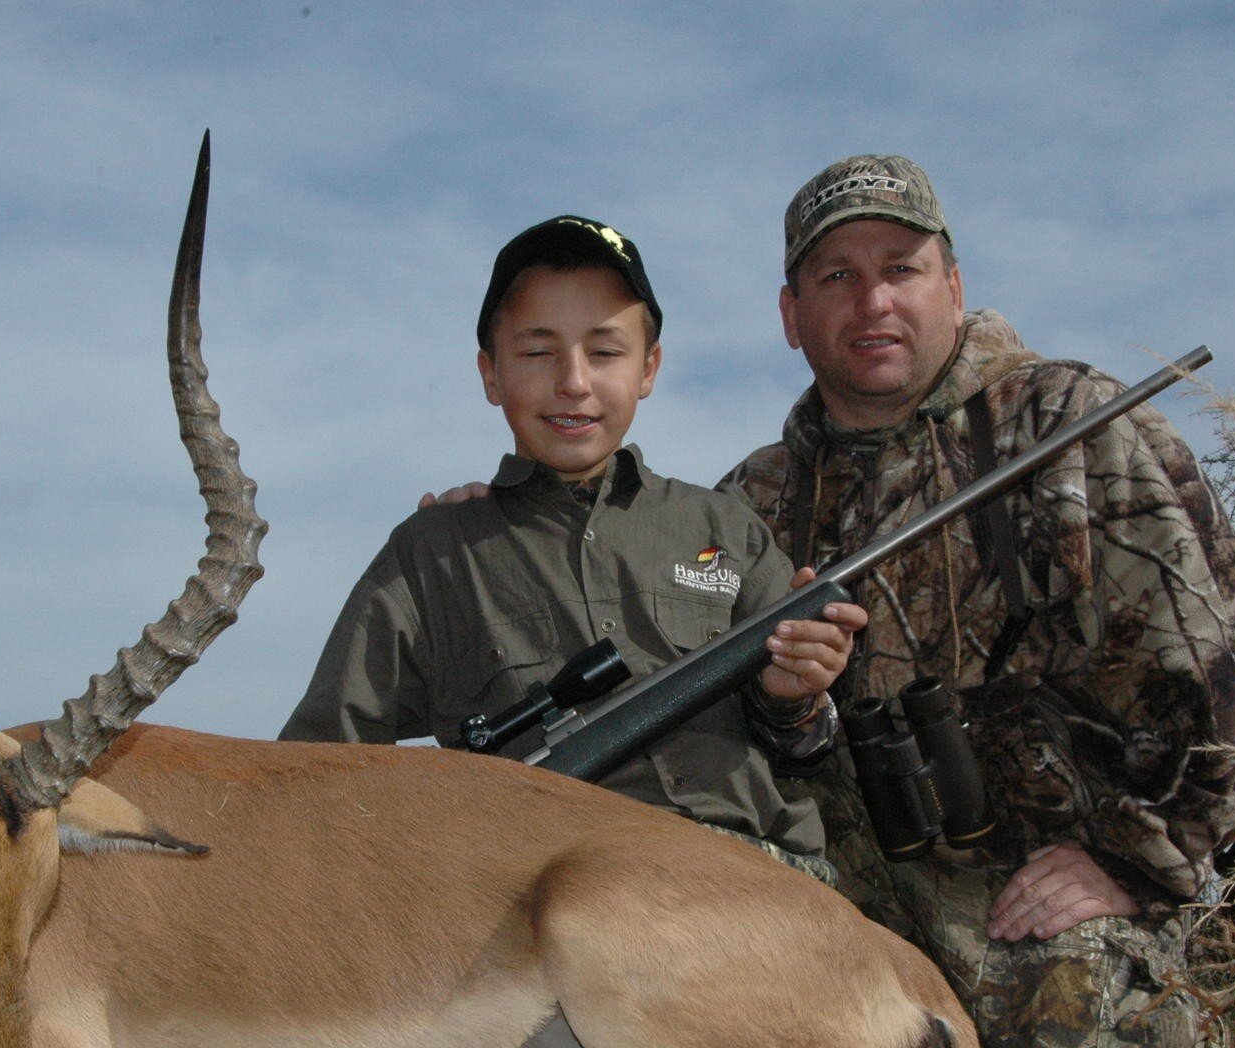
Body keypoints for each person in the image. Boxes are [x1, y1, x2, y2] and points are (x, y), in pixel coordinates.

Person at [718, 155, 1235, 1048]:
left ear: (956, 287)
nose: (873, 299)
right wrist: (788, 707)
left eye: (902, 267)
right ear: (791, 312)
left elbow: (1221, 665)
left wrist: (1135, 855)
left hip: (1040, 896)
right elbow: (686, 708)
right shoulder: (747, 504)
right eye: (836, 277)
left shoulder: (1070, 421)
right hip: (845, 905)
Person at [281, 215, 866, 883]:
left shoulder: (726, 528)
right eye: (537, 352)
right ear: (490, 374)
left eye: (605, 351)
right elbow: (316, 767)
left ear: (649, 368)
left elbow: (809, 741)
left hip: (754, 871)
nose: (573, 381)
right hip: (536, 887)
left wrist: (792, 694)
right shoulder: (431, 552)